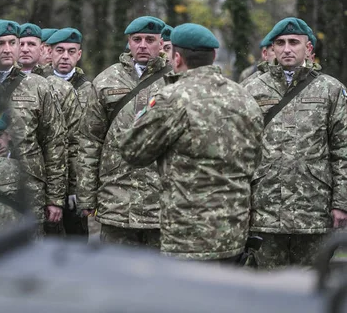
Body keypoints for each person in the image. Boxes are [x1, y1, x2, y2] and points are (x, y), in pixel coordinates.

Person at [121, 23, 264, 262]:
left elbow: (132, 151)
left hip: (187, 234)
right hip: (234, 228)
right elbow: (256, 158)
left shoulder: (172, 98)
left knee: (187, 299)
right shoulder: (244, 97)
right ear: (214, 56)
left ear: (176, 58)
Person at [243, 17, 347, 269]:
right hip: (265, 207)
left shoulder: (330, 90)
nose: (287, 48)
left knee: (311, 287)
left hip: (314, 206)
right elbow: (240, 149)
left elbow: (342, 148)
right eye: (280, 43)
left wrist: (341, 203)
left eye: (294, 42)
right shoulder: (250, 88)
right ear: (272, 49)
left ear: (308, 48)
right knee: (268, 289)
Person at [77, 16, 169, 247]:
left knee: (161, 277)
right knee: (115, 274)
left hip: (161, 199)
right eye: (137, 39)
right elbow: (90, 139)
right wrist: (87, 194)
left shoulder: (174, 79)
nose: (143, 45)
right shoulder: (106, 80)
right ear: (129, 42)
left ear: (161, 43)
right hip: (117, 198)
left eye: (150, 39)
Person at [0, 19, 67, 228]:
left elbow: (54, 142)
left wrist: (55, 198)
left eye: (12, 43)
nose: (7, 49)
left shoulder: (38, 86)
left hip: (29, 191)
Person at [18, 22, 81, 236]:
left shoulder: (59, 88)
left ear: (43, 49)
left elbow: (70, 143)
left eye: (31, 44)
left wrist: (69, 190)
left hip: (46, 186)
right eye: (21, 44)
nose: (25, 49)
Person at [46, 27, 93, 238]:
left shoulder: (91, 90)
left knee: (77, 242)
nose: (65, 57)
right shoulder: (39, 85)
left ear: (79, 54)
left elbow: (90, 142)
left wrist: (82, 188)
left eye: (71, 51)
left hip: (78, 180)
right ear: (50, 52)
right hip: (47, 180)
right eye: (60, 50)